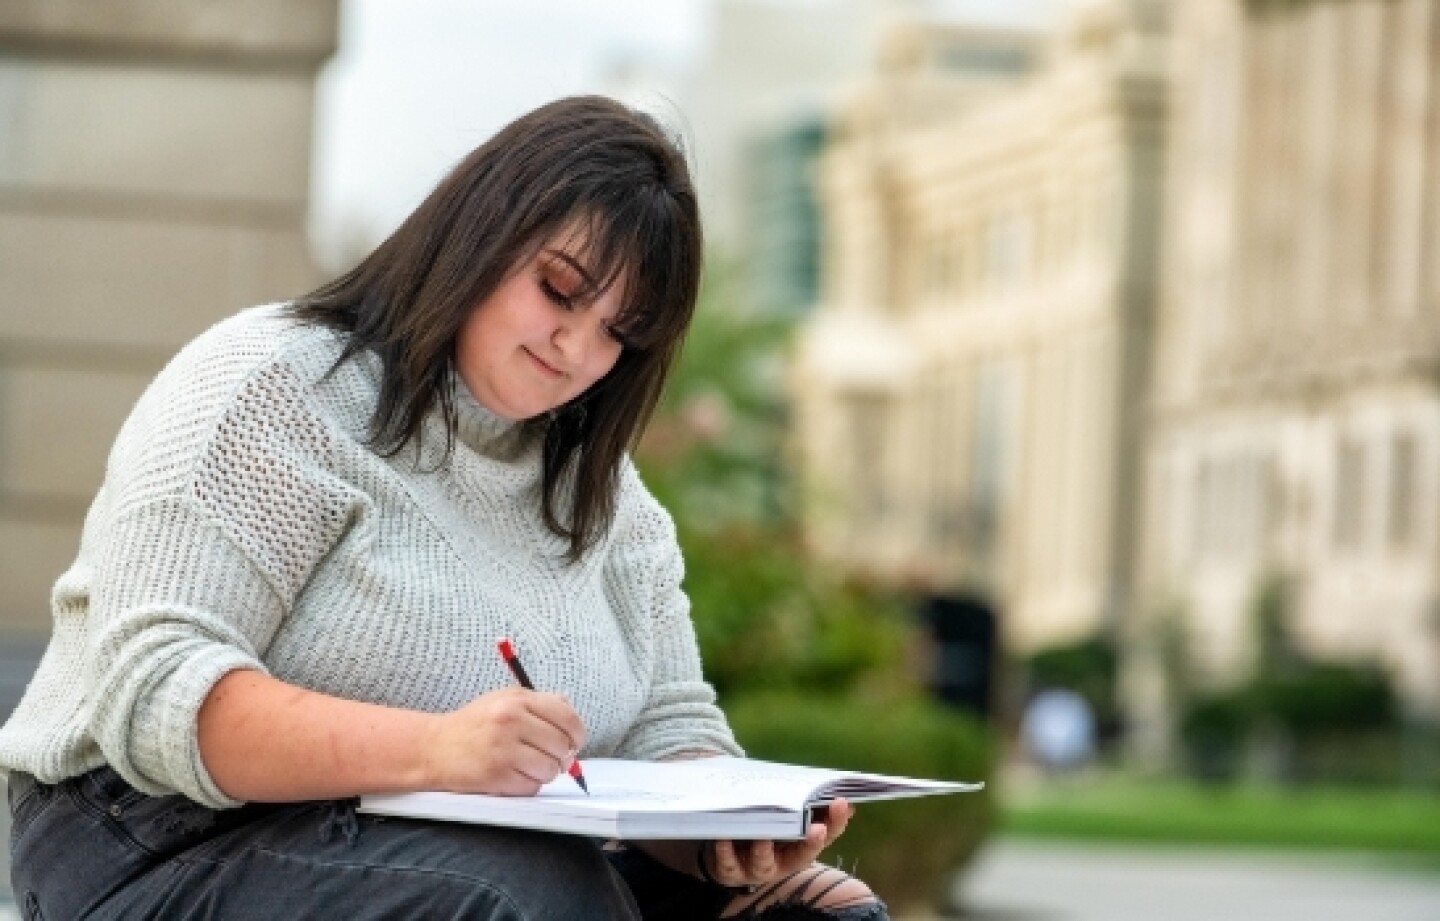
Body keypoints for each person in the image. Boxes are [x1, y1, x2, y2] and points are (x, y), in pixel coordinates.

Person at [0, 96, 887, 920]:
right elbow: (155, 689)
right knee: (521, 891)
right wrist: (436, 749)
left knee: (820, 910)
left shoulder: (607, 496)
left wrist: (727, 831)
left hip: (476, 848)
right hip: (153, 839)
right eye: (560, 288)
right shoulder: (275, 386)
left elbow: (670, 721)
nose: (575, 345)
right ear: (481, 232)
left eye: (620, 330)